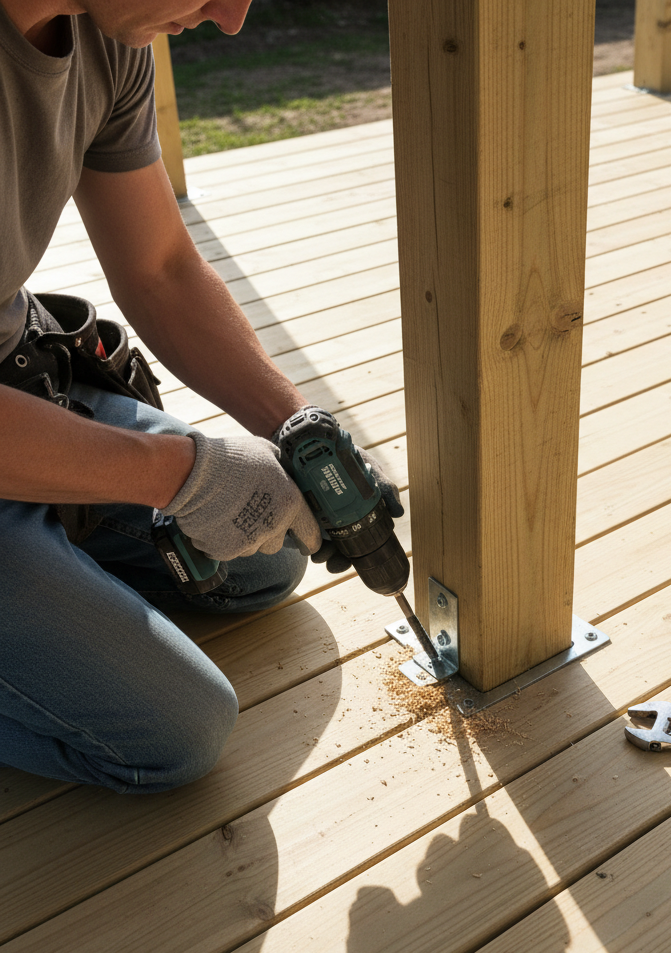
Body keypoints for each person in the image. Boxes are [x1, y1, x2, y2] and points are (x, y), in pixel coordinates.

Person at [0, 0, 398, 793]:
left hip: (20, 382)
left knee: (267, 554)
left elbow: (162, 270)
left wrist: (298, 433)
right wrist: (181, 474)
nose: (233, 17)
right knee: (172, 732)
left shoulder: (106, 43)